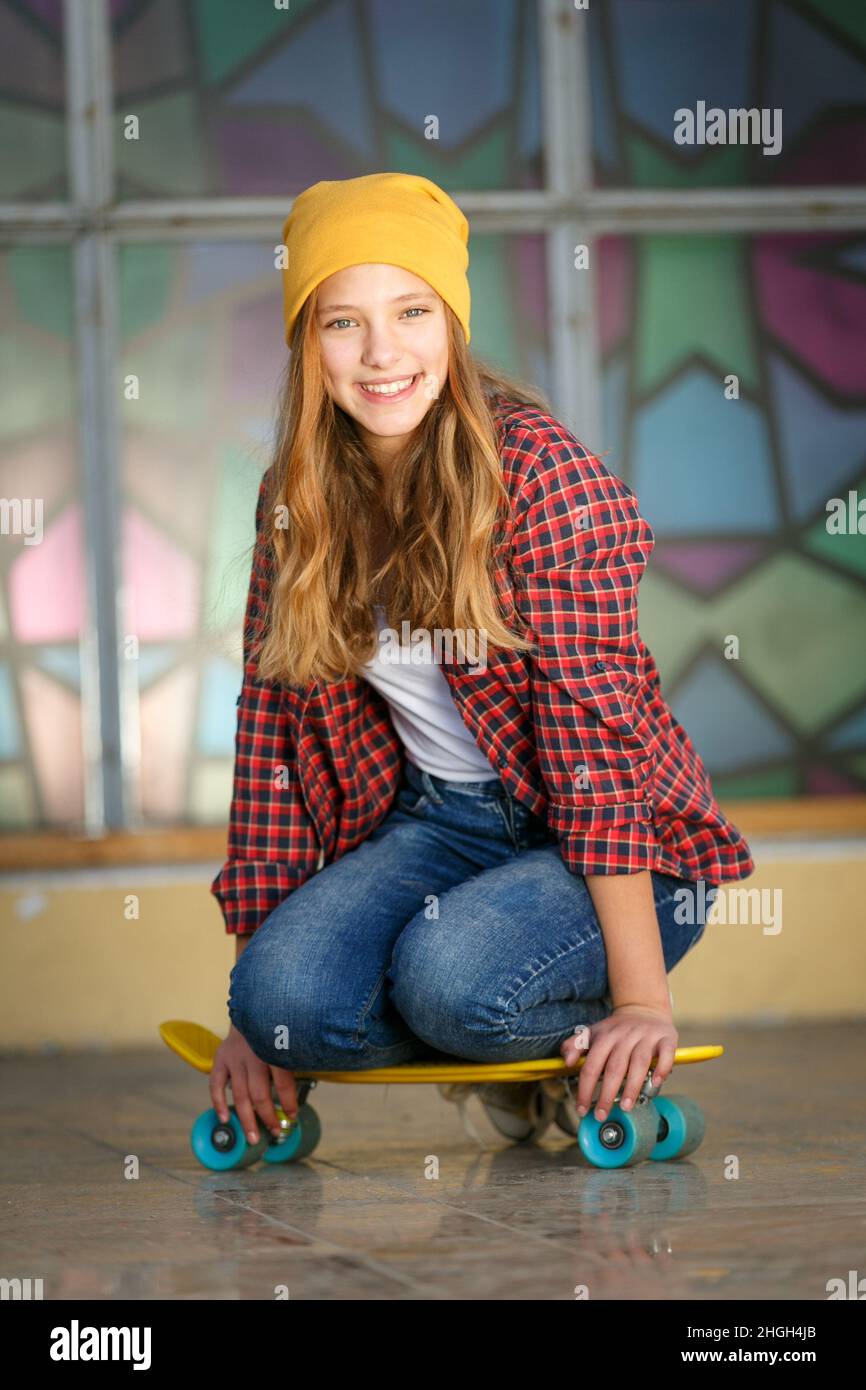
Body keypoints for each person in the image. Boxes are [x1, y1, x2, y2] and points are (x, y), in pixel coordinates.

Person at [208, 172, 755, 1150]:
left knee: (448, 978)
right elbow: (270, 742)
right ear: (306, 342)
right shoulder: (296, 498)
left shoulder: (539, 475)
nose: (381, 354)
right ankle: (494, 1026)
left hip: (613, 839)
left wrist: (643, 1002)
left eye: (411, 311)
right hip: (438, 827)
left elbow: (595, 755)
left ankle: (531, 1030)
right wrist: (257, 1025)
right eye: (343, 322)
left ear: (452, 322)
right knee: (289, 998)